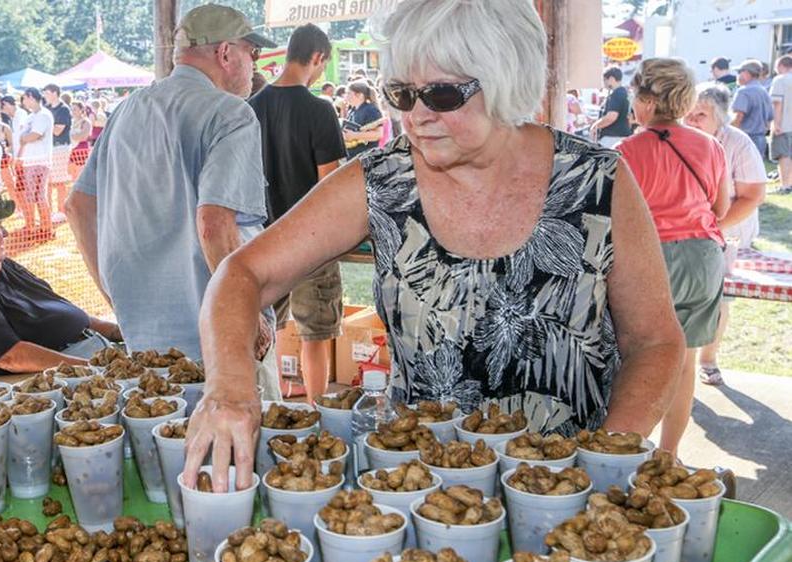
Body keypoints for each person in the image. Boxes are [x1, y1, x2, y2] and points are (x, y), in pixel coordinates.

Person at [182, 0, 686, 491]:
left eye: (442, 95)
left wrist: (603, 461)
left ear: (506, 76)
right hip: (419, 493)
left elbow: (654, 342)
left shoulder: (598, 181)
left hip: (571, 494)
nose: (417, 116)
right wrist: (230, 387)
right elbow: (242, 274)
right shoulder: (382, 181)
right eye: (402, 94)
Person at [66, 3, 281, 398]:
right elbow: (214, 223)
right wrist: (246, 316)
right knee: (246, 434)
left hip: (142, 343)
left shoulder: (127, 109)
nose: (255, 65)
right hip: (217, 343)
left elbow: (77, 207)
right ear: (226, 53)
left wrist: (113, 294)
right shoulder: (230, 113)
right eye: (252, 53)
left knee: (163, 435)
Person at [617, 58, 731, 454]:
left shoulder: (627, 151)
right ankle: (668, 455)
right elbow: (720, 208)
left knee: (639, 359)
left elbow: (616, 218)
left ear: (648, 101)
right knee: (684, 363)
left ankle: (629, 453)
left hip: (650, 256)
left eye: (635, 94)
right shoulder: (711, 146)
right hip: (703, 257)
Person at [0, 189, 122, 382]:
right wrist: (95, 369)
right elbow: (12, 358)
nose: (5, 233)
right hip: (59, 379)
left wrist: (117, 331)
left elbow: (62, 310)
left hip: (92, 356)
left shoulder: (0, 266)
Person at [248, 23, 347, 403]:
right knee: (314, 336)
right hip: (311, 240)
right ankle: (317, 414)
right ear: (317, 57)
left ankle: (271, 406)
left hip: (262, 240)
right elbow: (329, 184)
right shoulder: (320, 110)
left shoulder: (251, 108)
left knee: (265, 332)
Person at [684, 83, 767, 386]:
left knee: (718, 298)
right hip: (687, 233)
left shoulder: (738, 143)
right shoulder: (682, 140)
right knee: (685, 297)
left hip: (728, 232)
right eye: (689, 114)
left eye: (701, 115)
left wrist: (713, 227)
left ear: (720, 118)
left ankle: (708, 360)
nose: (692, 121)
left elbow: (753, 195)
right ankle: (682, 365)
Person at [15, 87, 54, 238]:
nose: (23, 101)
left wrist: (25, 137)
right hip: (29, 161)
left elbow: (34, 136)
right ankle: (36, 227)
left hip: (40, 160)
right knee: (31, 196)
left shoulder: (44, 115)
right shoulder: (31, 116)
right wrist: (25, 139)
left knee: (40, 196)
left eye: (24, 98)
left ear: (31, 97)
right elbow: (25, 137)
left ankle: (47, 228)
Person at [730, 59, 774, 156]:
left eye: (739, 72)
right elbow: (770, 117)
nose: (738, 76)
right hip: (761, 139)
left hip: (745, 138)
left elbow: (738, 116)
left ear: (747, 73)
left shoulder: (743, 91)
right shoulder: (764, 91)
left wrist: (729, 134)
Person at [43, 83, 72, 218]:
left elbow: (58, 131)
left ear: (55, 93)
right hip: (49, 147)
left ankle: (61, 211)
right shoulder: (47, 108)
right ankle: (48, 211)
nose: (45, 96)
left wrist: (45, 127)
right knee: (48, 181)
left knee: (59, 180)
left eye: (47, 93)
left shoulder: (63, 109)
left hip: (60, 147)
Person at [591, 66, 633, 148]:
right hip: (622, 136)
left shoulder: (616, 94)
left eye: (605, 80)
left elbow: (611, 117)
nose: (604, 83)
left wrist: (595, 127)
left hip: (612, 138)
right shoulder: (626, 93)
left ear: (611, 78)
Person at [768, 55, 792, 193]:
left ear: (781, 66)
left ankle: (785, 185)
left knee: (783, 155)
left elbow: (777, 103)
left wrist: (776, 123)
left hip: (784, 124)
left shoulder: (780, 80)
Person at [342, 81, 384, 158]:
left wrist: (354, 135)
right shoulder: (352, 110)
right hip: (353, 156)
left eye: (348, 93)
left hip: (366, 157)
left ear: (360, 95)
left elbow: (378, 134)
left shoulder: (370, 110)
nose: (345, 96)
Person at [68, 101, 92, 180]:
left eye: (75, 109)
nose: (73, 111)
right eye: (71, 109)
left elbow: (83, 136)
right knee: (71, 174)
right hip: (71, 150)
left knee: (79, 174)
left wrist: (70, 135)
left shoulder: (85, 122)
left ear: (81, 110)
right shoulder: (71, 121)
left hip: (81, 150)